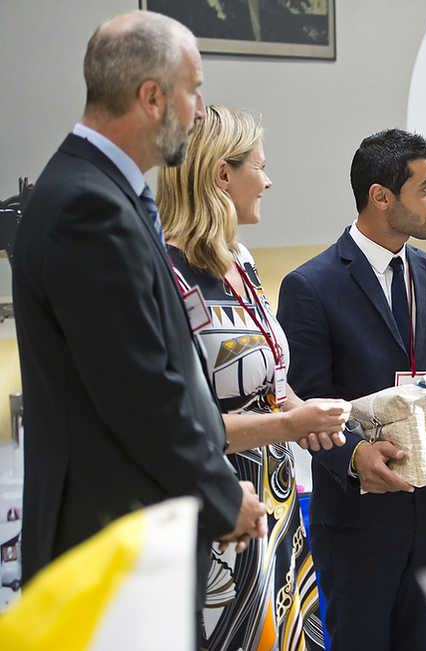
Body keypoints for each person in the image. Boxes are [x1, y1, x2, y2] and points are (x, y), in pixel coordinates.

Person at [11, 10, 266, 604]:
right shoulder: (87, 206)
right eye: (193, 90)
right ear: (152, 97)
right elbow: (139, 388)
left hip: (130, 530)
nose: (200, 109)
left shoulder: (105, 190)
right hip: (107, 542)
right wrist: (222, 495)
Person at [156, 105, 352, 651]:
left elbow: (271, 382)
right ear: (222, 174)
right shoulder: (165, 276)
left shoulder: (238, 259)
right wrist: (291, 425)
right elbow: (187, 425)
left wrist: (311, 414)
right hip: (220, 506)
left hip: (279, 501)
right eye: (258, 167)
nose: (268, 180)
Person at [277, 128, 426, 651]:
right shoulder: (310, 286)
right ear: (380, 196)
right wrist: (355, 455)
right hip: (358, 523)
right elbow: (303, 400)